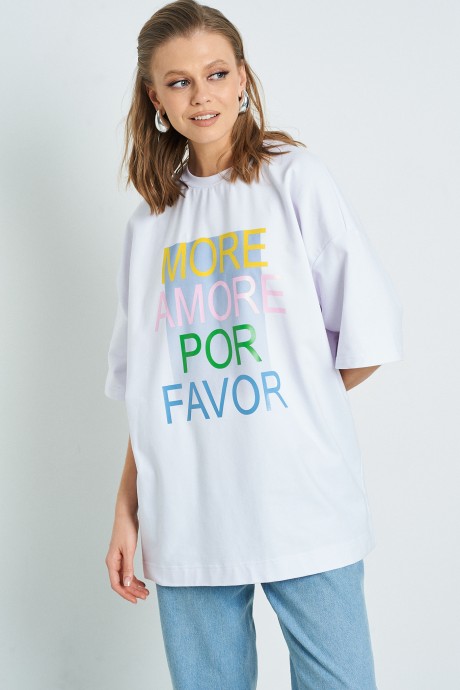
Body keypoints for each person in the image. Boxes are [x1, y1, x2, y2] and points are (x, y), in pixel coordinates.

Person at [104, 1, 403, 688]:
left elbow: (366, 337)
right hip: (187, 511)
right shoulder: (150, 224)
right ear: (155, 97)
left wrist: (287, 400)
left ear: (242, 77)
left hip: (301, 499)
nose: (201, 94)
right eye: (178, 82)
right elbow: (150, 388)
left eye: (216, 73)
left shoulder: (295, 179)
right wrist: (126, 509)